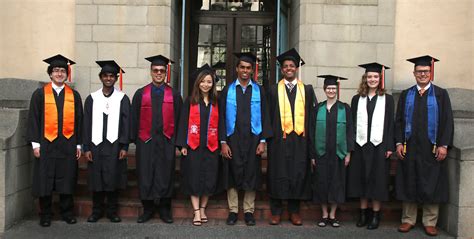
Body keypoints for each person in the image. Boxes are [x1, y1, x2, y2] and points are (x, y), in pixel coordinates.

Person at [395, 55, 453, 236]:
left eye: (426, 71)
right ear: (414, 73)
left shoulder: (440, 94)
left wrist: (444, 145)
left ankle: (430, 221)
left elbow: (447, 122)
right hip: (409, 147)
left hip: (432, 148)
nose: (422, 74)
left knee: (432, 182)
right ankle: (408, 220)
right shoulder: (406, 94)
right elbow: (398, 122)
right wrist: (398, 142)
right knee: (409, 181)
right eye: (419, 72)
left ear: (431, 73)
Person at [27, 54, 83, 227]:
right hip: (46, 144)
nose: (59, 73)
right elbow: (34, 119)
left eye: (62, 71)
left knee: (66, 178)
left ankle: (67, 212)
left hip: (67, 144)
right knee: (45, 179)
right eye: (55, 71)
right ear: (50, 74)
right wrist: (35, 144)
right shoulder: (39, 94)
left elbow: (80, 121)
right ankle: (45, 214)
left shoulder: (74, 95)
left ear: (67, 74)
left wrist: (79, 144)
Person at [219, 52, 272, 226]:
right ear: (236, 69)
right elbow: (220, 117)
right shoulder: (228, 90)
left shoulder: (258, 90)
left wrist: (263, 140)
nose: (245, 70)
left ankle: (249, 211)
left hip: (253, 139)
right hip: (232, 138)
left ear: (252, 70)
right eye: (242, 67)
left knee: (251, 173)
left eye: (248, 68)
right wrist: (223, 142)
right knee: (232, 173)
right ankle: (233, 210)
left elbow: (265, 116)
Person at [266, 48, 317, 226]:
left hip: (300, 140)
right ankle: (276, 211)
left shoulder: (307, 91)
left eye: (292, 66)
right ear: (282, 70)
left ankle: (294, 211)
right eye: (286, 66)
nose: (289, 68)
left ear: (296, 68)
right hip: (279, 140)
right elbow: (268, 116)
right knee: (278, 173)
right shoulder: (273, 90)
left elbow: (311, 118)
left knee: (298, 173)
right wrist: (268, 139)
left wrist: (311, 144)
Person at [130, 55, 183, 223]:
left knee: (166, 174)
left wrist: (178, 143)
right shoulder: (141, 94)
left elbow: (180, 119)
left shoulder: (174, 95)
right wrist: (135, 139)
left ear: (166, 72)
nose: (159, 73)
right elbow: (134, 118)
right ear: (151, 72)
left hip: (167, 141)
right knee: (146, 173)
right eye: (156, 70)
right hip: (146, 141)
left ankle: (165, 209)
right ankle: (148, 208)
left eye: (162, 70)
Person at [346, 63, 395, 230]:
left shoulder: (388, 100)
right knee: (361, 179)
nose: (372, 79)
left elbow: (390, 124)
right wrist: (350, 146)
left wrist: (389, 146)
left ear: (380, 79)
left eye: (375, 77)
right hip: (360, 146)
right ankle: (362, 213)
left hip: (379, 146)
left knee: (377, 180)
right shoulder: (356, 99)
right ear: (365, 79)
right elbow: (351, 125)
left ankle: (375, 216)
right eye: (369, 77)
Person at [83, 60, 130, 223]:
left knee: (113, 178)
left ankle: (111, 211)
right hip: (95, 146)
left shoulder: (122, 98)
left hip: (114, 145)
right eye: (105, 75)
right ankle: (96, 211)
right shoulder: (92, 99)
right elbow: (86, 123)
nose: (108, 78)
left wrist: (124, 145)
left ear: (116, 78)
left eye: (111, 76)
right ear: (101, 77)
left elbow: (126, 124)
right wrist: (86, 147)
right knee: (96, 178)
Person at [176, 64, 221, 226]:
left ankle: (203, 208)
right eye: (203, 81)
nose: (206, 85)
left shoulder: (217, 102)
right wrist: (183, 145)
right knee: (194, 178)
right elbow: (182, 123)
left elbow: (221, 124)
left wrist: (222, 143)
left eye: (209, 82)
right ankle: (196, 212)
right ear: (198, 83)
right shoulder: (190, 101)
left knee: (209, 178)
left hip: (211, 146)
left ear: (213, 84)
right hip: (193, 146)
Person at [312, 75, 354, 228]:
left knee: (337, 183)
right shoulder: (318, 109)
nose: (331, 90)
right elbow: (312, 131)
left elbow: (350, 131)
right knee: (322, 183)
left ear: (337, 90)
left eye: (333, 88)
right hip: (321, 153)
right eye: (328, 88)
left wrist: (348, 152)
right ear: (324, 90)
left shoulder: (345, 108)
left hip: (338, 154)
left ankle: (333, 215)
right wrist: (313, 155)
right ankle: (324, 214)